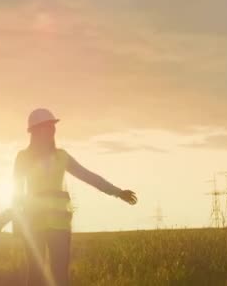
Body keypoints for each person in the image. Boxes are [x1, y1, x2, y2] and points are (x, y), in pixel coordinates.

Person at [12, 108, 137, 286]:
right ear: (34, 131)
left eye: (52, 127)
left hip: (60, 226)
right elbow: (16, 191)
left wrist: (118, 192)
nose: (51, 130)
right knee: (35, 277)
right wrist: (17, 224)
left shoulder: (62, 156)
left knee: (61, 277)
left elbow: (88, 176)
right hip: (34, 225)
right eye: (46, 127)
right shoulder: (23, 157)